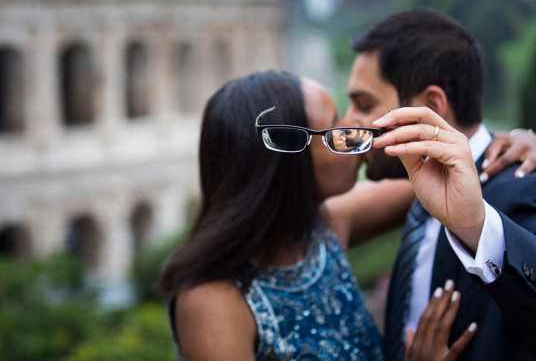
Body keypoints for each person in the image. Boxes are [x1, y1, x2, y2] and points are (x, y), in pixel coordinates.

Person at [158, 70, 479, 360]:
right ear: (286, 157)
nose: (355, 135)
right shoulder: (210, 302)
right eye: (336, 126)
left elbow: (441, 185)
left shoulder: (324, 224)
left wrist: (506, 143)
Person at [345, 7, 536, 359]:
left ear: (432, 104)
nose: (348, 122)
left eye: (364, 104)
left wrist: (477, 227)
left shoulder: (530, 184)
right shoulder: (416, 190)